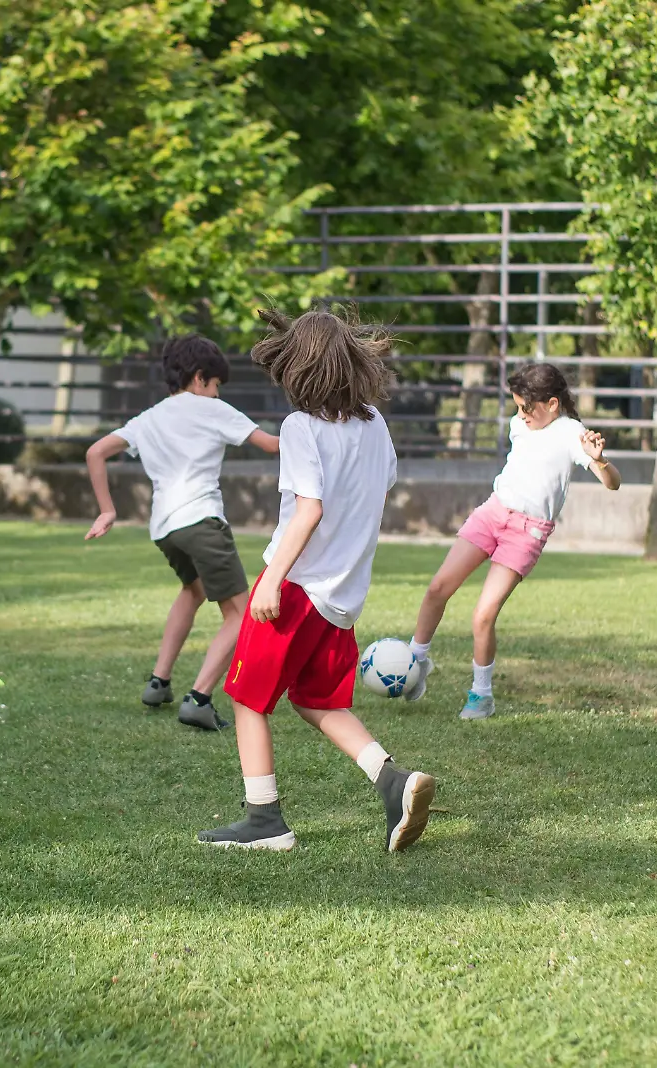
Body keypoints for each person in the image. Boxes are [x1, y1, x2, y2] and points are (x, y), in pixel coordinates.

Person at [198, 307, 436, 853]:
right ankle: (394, 783)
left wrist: (269, 582)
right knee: (316, 700)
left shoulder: (301, 428)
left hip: (298, 587)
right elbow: (381, 486)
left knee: (247, 698)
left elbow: (309, 510)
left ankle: (264, 820)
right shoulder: (375, 423)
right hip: (343, 597)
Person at [84, 335, 280, 731]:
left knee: (193, 590)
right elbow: (272, 446)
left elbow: (96, 452)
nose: (217, 391)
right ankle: (200, 698)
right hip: (202, 520)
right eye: (216, 384)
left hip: (165, 527)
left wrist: (107, 510)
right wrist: (317, 429)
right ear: (199, 378)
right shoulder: (213, 410)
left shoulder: (150, 417)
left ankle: (159, 682)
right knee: (242, 615)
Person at [406, 362, 620, 720]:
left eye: (526, 408)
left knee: (483, 615)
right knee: (438, 587)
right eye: (517, 407)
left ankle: (481, 695)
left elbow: (613, 483)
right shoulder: (518, 425)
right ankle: (415, 661)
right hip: (493, 512)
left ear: (552, 404)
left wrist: (600, 461)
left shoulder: (571, 433)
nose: (520, 415)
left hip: (528, 530)